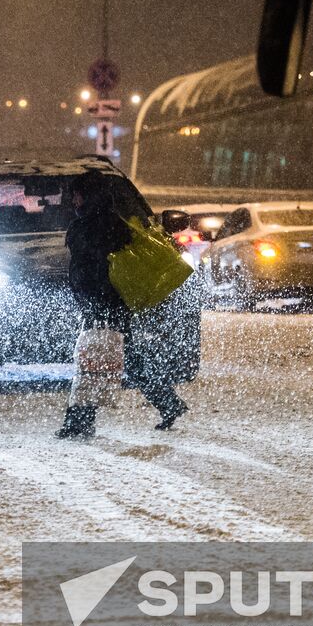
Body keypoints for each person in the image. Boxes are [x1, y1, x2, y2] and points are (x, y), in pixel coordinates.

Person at [58, 171, 187, 439]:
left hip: (102, 305)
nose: (74, 200)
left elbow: (93, 272)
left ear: (89, 195)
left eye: (77, 194)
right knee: (124, 357)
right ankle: (168, 403)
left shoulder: (89, 228)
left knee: (93, 360)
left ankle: (79, 421)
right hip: (112, 303)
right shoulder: (116, 223)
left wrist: (92, 300)